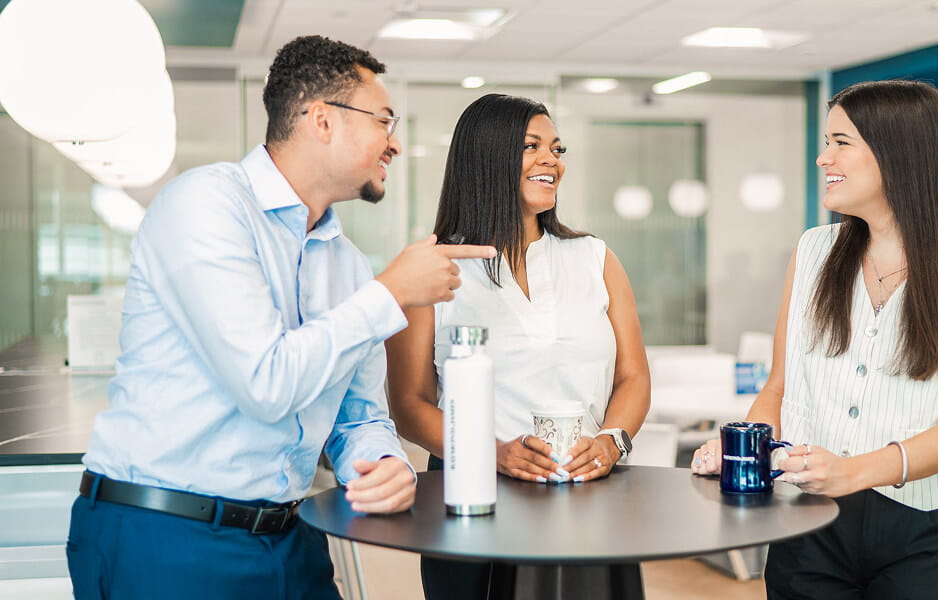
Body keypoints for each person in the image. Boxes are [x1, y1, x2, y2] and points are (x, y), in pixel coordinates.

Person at [66, 35, 496, 600]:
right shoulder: (204, 205)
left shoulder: (346, 263)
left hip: (291, 538)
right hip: (167, 536)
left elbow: (356, 416)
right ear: (322, 120)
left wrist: (384, 461)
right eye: (383, 121)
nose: (394, 143)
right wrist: (391, 293)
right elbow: (266, 382)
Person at [691, 79, 938, 599]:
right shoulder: (814, 251)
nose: (823, 159)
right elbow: (780, 386)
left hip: (929, 532)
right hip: (808, 523)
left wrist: (854, 472)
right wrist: (745, 449)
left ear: (898, 153)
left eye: (840, 143)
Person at [384, 93, 650, 599]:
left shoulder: (595, 258)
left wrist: (612, 441)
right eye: (532, 147)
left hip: (586, 499)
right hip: (471, 502)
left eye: (557, 147)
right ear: (486, 156)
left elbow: (633, 376)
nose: (552, 160)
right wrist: (491, 454)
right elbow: (409, 406)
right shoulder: (433, 267)